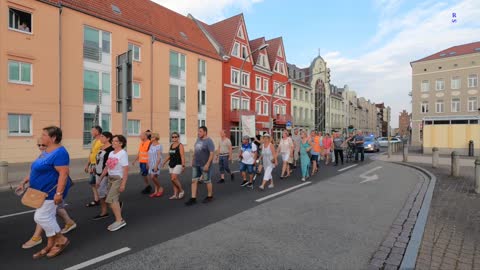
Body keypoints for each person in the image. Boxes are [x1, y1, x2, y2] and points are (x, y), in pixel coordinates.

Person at [15, 126, 72, 259]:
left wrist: (59, 194)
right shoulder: (46, 150)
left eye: (44, 135)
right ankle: (51, 243)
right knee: (49, 217)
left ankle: (61, 239)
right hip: (39, 191)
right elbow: (36, 168)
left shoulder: (60, 153)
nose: (41, 137)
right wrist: (24, 181)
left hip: (50, 192)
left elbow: (63, 174)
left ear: (53, 138)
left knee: (41, 217)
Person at [98, 135, 129, 231]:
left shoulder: (123, 153)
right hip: (110, 179)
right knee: (111, 200)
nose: (112, 142)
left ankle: (119, 220)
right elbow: (107, 167)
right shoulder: (111, 153)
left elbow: (125, 170)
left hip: (118, 179)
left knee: (111, 200)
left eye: (115, 141)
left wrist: (123, 184)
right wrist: (100, 178)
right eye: (113, 141)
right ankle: (118, 216)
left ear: (121, 143)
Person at [185, 126, 215, 206]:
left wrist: (207, 164)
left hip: (204, 165)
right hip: (196, 164)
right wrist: (193, 160)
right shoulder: (198, 139)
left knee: (207, 181)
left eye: (200, 131)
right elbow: (196, 150)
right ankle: (193, 198)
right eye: (198, 131)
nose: (198, 133)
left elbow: (212, 154)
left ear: (205, 132)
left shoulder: (209, 141)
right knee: (194, 180)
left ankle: (209, 196)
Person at [93, 132, 114, 220]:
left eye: (102, 136)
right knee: (102, 193)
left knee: (102, 193)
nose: (100, 138)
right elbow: (98, 159)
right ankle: (114, 204)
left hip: (105, 174)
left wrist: (102, 175)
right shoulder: (101, 147)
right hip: (98, 172)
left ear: (108, 138)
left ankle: (105, 211)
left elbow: (109, 164)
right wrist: (93, 167)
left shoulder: (111, 149)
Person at [162, 132, 185, 200]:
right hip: (171, 164)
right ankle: (175, 194)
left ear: (178, 137)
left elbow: (182, 156)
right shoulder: (171, 145)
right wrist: (164, 162)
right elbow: (169, 155)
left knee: (173, 178)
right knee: (172, 180)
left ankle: (181, 190)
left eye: (175, 137)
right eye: (173, 137)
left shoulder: (180, 145)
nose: (174, 138)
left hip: (178, 164)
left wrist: (183, 165)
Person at [85, 126, 103, 207]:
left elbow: (102, 155)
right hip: (92, 165)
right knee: (92, 183)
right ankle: (97, 200)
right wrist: (87, 165)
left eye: (93, 130)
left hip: (98, 165)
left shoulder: (102, 141)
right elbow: (91, 153)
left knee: (100, 183)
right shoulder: (94, 141)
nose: (91, 132)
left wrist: (96, 166)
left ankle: (108, 201)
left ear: (98, 132)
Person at [147, 133, 164, 198]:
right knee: (155, 178)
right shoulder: (151, 145)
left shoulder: (159, 146)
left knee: (153, 176)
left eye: (151, 137)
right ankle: (156, 192)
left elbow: (159, 156)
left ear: (155, 138)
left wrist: (156, 166)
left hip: (156, 163)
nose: (150, 138)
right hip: (151, 163)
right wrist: (148, 163)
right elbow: (149, 155)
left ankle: (160, 187)